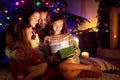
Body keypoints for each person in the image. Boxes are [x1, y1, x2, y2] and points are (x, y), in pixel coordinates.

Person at [43, 13, 102, 80]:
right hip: (59, 61)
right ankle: (85, 68)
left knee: (62, 66)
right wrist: (53, 58)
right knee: (67, 75)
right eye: (55, 25)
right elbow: (47, 56)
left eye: (60, 25)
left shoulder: (68, 35)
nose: (58, 28)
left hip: (71, 59)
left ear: (63, 25)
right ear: (51, 24)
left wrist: (76, 51)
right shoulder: (47, 38)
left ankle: (89, 67)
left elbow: (77, 49)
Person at [5, 7, 47, 80]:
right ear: (28, 16)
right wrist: (14, 54)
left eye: (38, 18)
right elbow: (8, 49)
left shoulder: (33, 30)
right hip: (24, 63)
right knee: (42, 70)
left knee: (45, 67)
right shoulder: (20, 31)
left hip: (34, 59)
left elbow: (36, 46)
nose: (37, 21)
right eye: (34, 18)